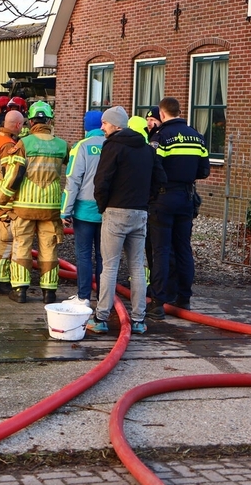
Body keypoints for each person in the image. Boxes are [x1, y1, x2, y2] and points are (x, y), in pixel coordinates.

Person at [86, 106, 166, 335]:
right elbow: (161, 179)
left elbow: (101, 181)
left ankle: (101, 318)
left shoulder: (112, 147)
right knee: (138, 267)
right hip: (139, 213)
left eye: (105, 123)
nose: (102, 127)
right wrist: (146, 201)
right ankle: (139, 319)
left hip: (115, 212)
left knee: (109, 267)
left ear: (116, 125)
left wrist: (103, 207)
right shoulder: (147, 149)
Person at [0, 101, 68, 304]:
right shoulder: (62, 145)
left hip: (24, 206)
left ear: (32, 121)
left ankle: (20, 291)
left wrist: (1, 199)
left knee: (21, 245)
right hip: (51, 209)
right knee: (49, 248)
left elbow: (14, 175)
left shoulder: (24, 143)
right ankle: (49, 292)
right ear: (50, 120)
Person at [148, 96, 210, 318]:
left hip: (163, 199)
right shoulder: (197, 137)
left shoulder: (161, 136)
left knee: (161, 250)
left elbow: (154, 168)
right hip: (186, 197)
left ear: (162, 114)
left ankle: (157, 302)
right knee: (183, 248)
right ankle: (184, 298)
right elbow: (204, 171)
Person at [60, 111, 106, 307]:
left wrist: (65, 211)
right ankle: (104, 299)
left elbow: (73, 180)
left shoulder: (82, 146)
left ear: (86, 126)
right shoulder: (112, 145)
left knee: (84, 254)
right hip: (107, 211)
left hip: (84, 211)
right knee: (104, 256)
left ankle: (84, 297)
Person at [0, 109, 25, 294]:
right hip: (5, 198)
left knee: (1, 238)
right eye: (23, 124)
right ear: (18, 125)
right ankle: (0, 280)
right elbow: (11, 176)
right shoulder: (8, 146)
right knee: (8, 241)